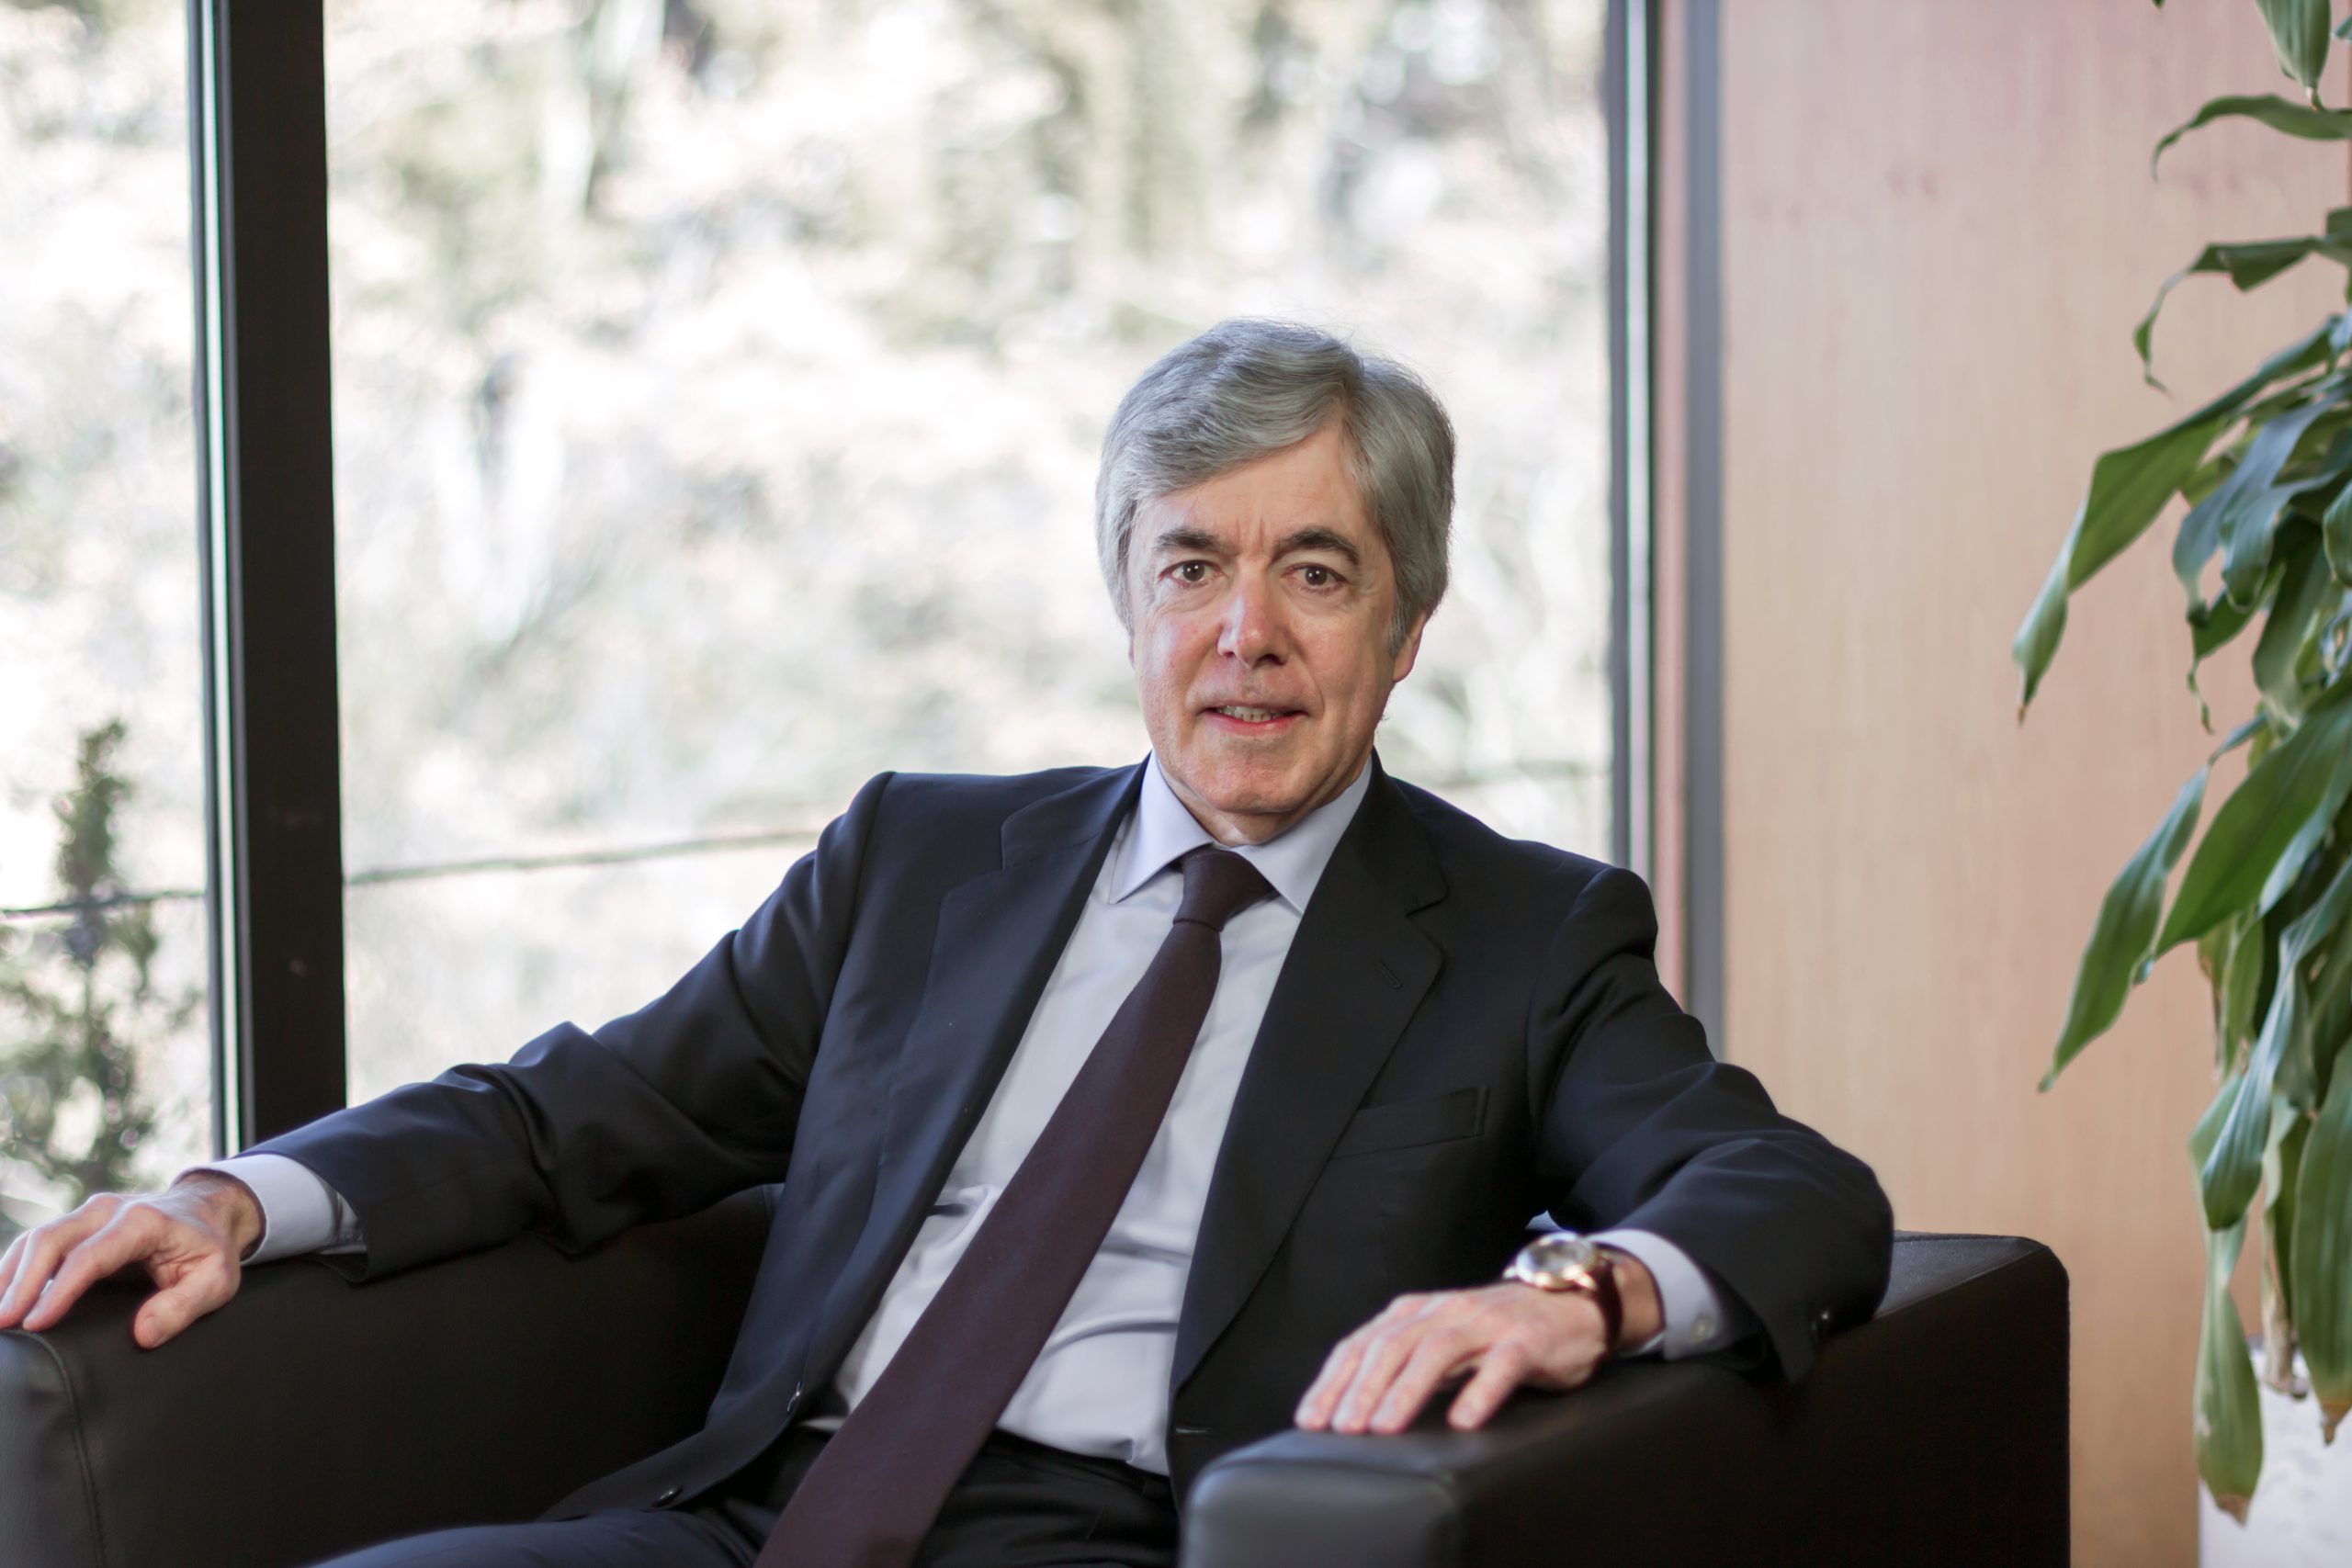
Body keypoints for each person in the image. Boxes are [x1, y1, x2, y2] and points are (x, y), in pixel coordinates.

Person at [0, 320, 1893, 1568]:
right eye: (1191, 566)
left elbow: (1796, 1192)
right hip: (753, 1515)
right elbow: (576, 1112)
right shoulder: (919, 855)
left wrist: (1575, 1294)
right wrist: (238, 1199)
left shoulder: (1518, 933)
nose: (1244, 631)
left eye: (1313, 572)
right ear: (1127, 604)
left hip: (1124, 1535)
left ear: (1404, 628)